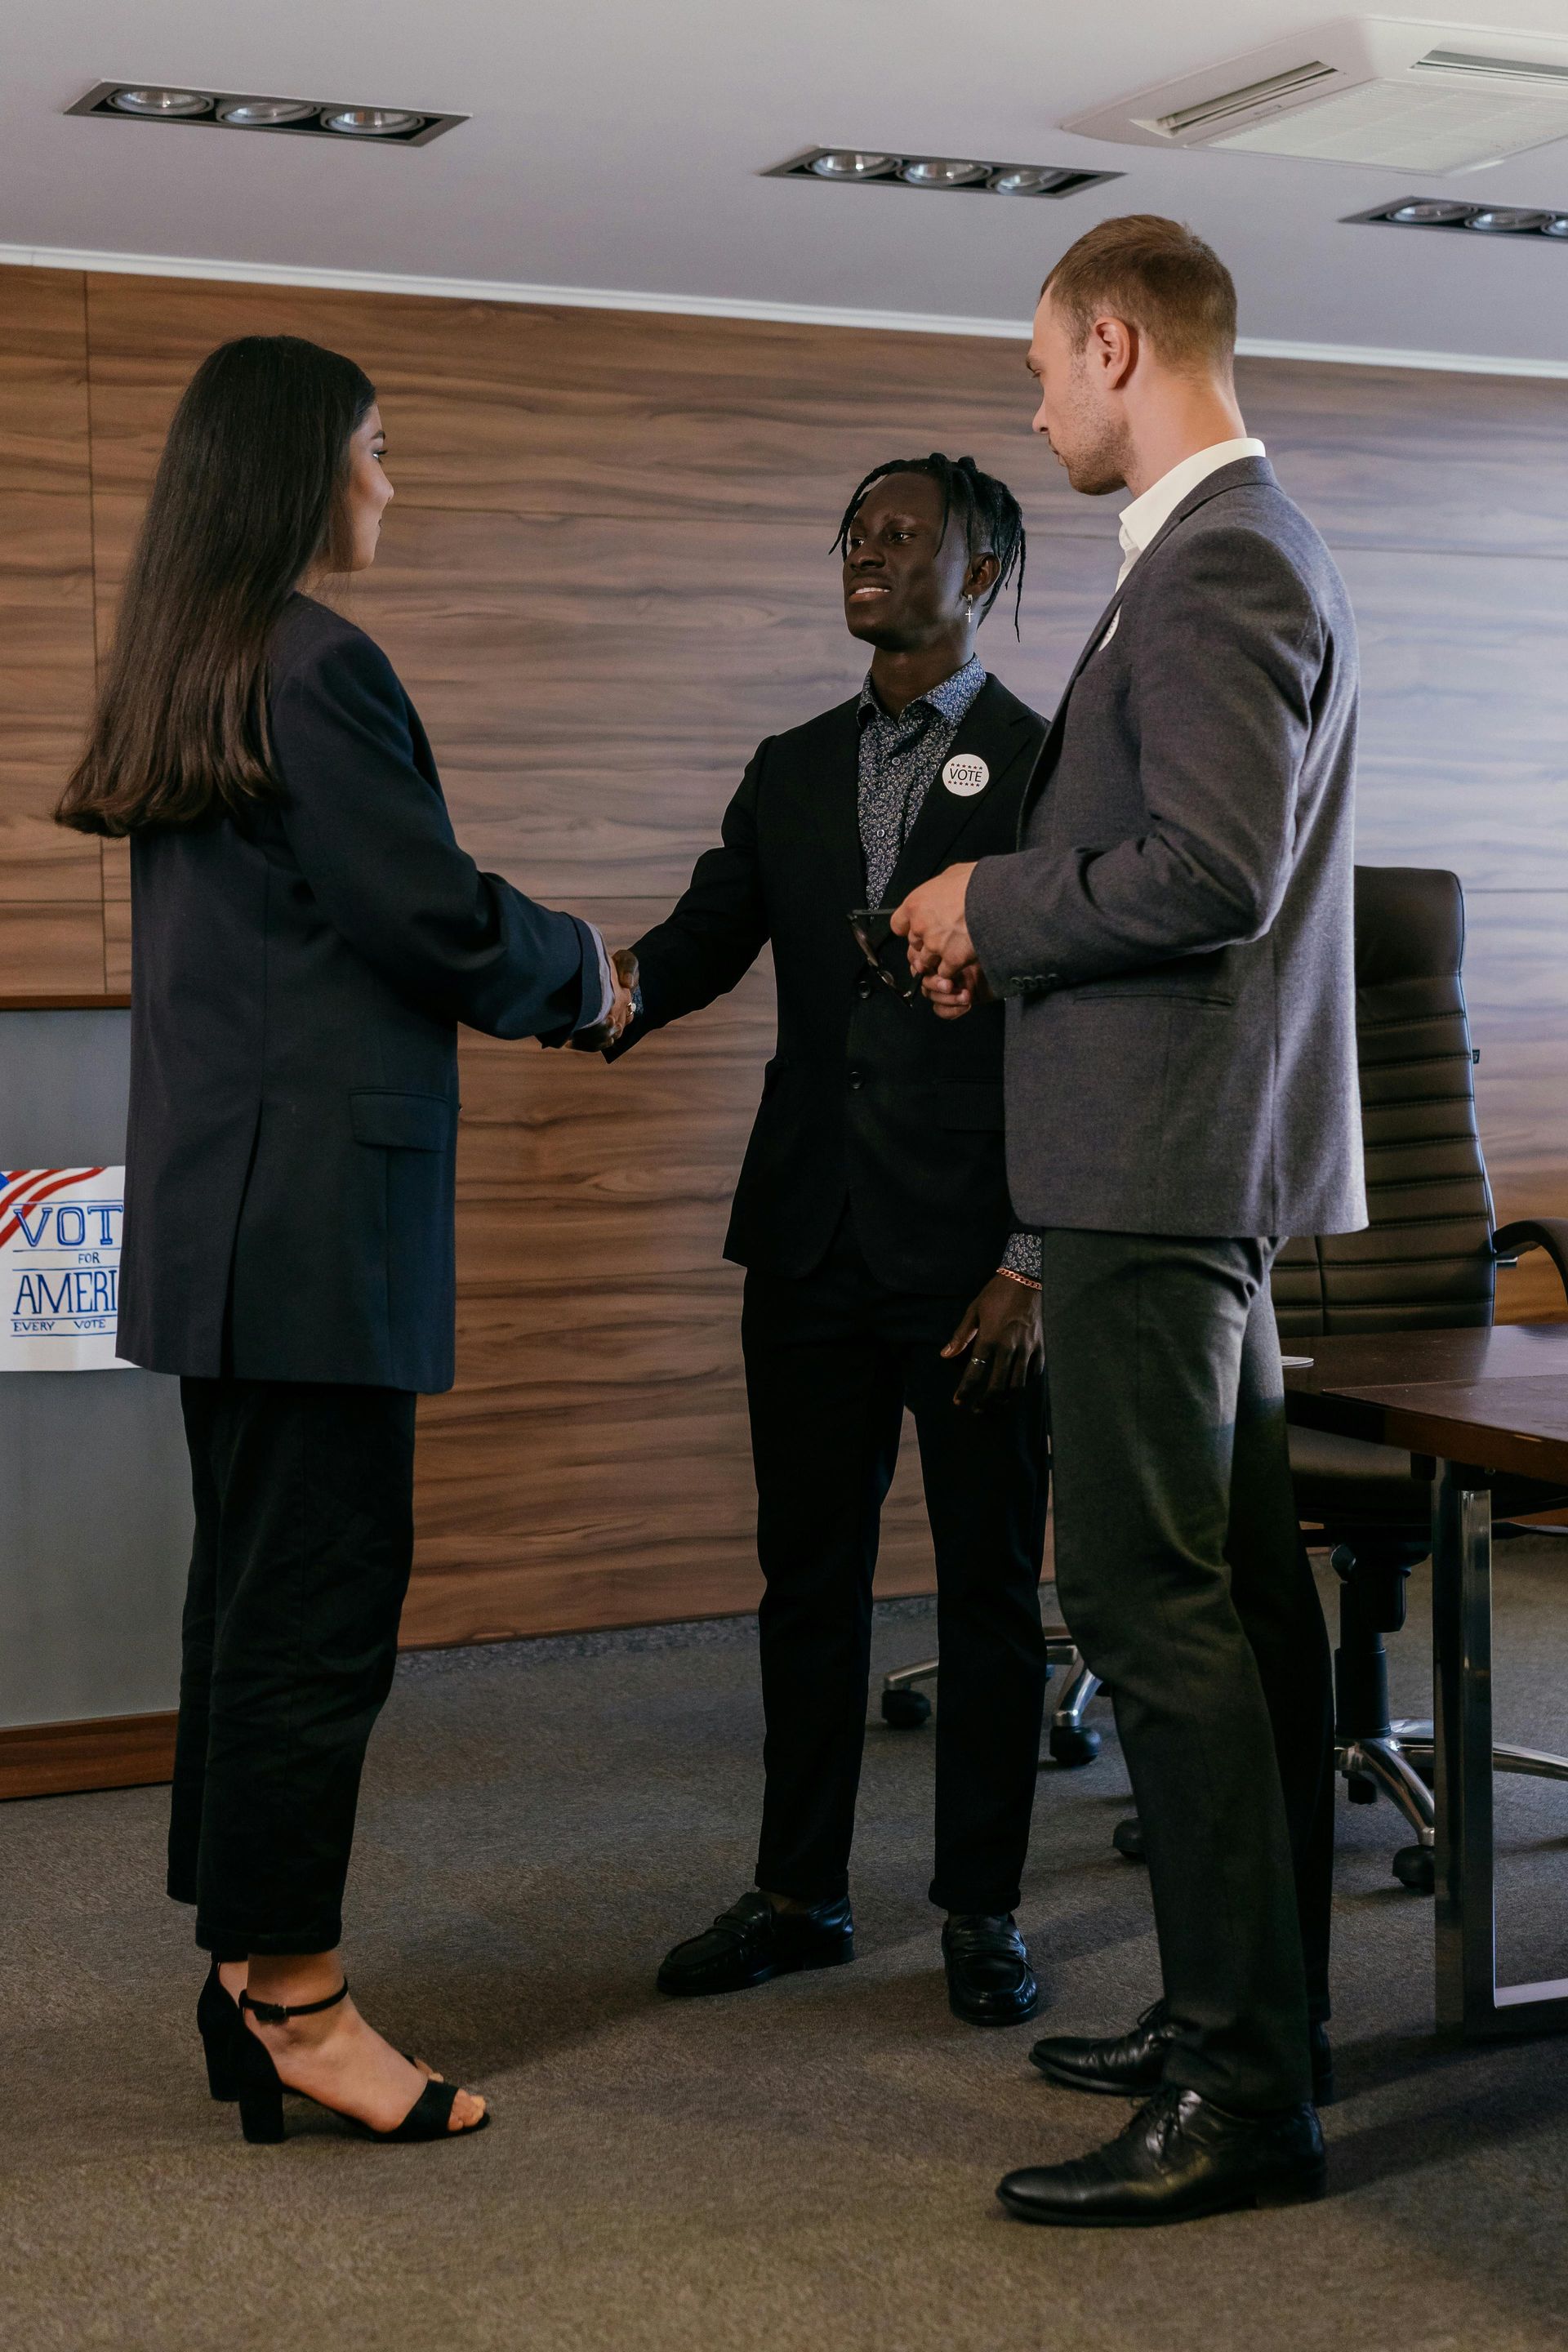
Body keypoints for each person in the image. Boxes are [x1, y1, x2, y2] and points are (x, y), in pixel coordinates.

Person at [56, 334, 632, 2146]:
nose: (394, 485)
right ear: (307, 467)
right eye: (379, 452)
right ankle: (297, 1999)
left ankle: (246, 1971)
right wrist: (587, 971)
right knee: (314, 1616)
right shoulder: (319, 662)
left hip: (230, 1231)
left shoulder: (194, 657)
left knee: (246, 1605)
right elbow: (433, 917)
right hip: (317, 1236)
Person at [893, 217, 1361, 2225]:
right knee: (1241, 1610)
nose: (1031, 404)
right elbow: (1170, 861)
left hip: (1160, 1173)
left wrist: (983, 910)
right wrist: (999, 933)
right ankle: (1244, 2019)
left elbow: (1211, 868)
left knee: (1164, 1622)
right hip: (1177, 1157)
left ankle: (1245, 2096)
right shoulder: (1210, 555)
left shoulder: (1224, 554)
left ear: (1114, 342)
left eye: (1039, 367)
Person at [585, 455, 1054, 2028]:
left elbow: (1083, 1031)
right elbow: (711, 935)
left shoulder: (1047, 765)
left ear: (981, 572)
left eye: (907, 533)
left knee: (987, 1590)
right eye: (857, 529)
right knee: (809, 1576)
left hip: (976, 1253)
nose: (870, 551)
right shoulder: (788, 764)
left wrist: (1035, 1260)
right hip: (806, 1238)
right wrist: (597, 993)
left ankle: (981, 1907)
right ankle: (801, 1893)